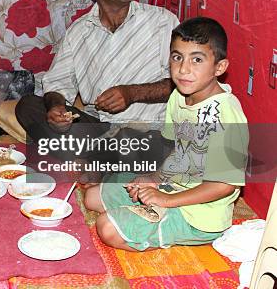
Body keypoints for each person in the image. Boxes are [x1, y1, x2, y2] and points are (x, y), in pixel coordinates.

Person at [84, 17, 249, 251]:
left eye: (197, 59)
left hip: (200, 216)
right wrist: (155, 179)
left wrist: (167, 201)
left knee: (107, 228)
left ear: (219, 68)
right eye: (177, 57)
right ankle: (148, 215)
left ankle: (167, 227)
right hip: (173, 189)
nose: (183, 69)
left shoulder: (225, 114)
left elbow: (224, 185)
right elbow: (179, 151)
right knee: (92, 197)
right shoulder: (179, 97)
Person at [15, 0, 179, 168]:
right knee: (28, 106)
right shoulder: (80, 31)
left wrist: (132, 93)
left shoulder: (163, 22)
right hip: (100, 129)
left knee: (136, 143)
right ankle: (98, 160)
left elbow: (182, 84)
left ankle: (93, 161)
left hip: (148, 130)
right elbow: (57, 83)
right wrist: (56, 108)